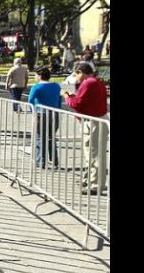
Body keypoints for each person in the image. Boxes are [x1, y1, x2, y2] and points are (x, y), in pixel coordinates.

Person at [61, 63, 108, 194]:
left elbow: (77, 103)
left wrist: (66, 96)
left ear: (82, 72)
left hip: (94, 121)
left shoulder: (88, 83)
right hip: (98, 119)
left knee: (94, 155)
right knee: (92, 154)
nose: (75, 77)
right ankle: (88, 180)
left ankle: (95, 184)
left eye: (77, 74)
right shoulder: (97, 82)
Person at [27, 68, 62, 168]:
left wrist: (32, 111)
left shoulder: (37, 87)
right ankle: (54, 160)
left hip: (40, 113)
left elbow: (30, 100)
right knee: (51, 137)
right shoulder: (56, 86)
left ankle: (40, 161)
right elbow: (59, 99)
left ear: (39, 76)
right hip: (54, 113)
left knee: (40, 137)